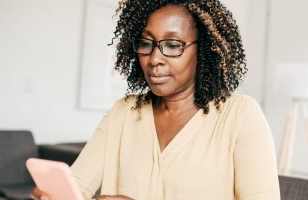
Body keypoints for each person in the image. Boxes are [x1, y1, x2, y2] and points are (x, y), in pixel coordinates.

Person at [32, 0, 280, 199]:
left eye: (172, 45)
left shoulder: (240, 115)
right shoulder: (124, 112)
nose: (154, 59)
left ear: (204, 49)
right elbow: (78, 185)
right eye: (146, 43)